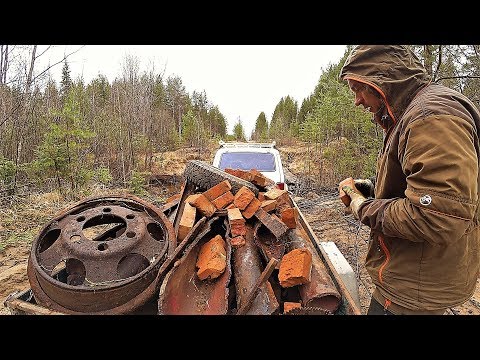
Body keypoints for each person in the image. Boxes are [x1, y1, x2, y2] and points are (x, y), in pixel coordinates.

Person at [338, 45, 480, 315]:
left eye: (358, 88)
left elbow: (438, 216)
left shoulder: (430, 117)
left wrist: (361, 206)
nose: (357, 100)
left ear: (381, 81)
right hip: (408, 277)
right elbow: (427, 191)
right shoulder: (411, 112)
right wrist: (371, 190)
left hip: (414, 291)